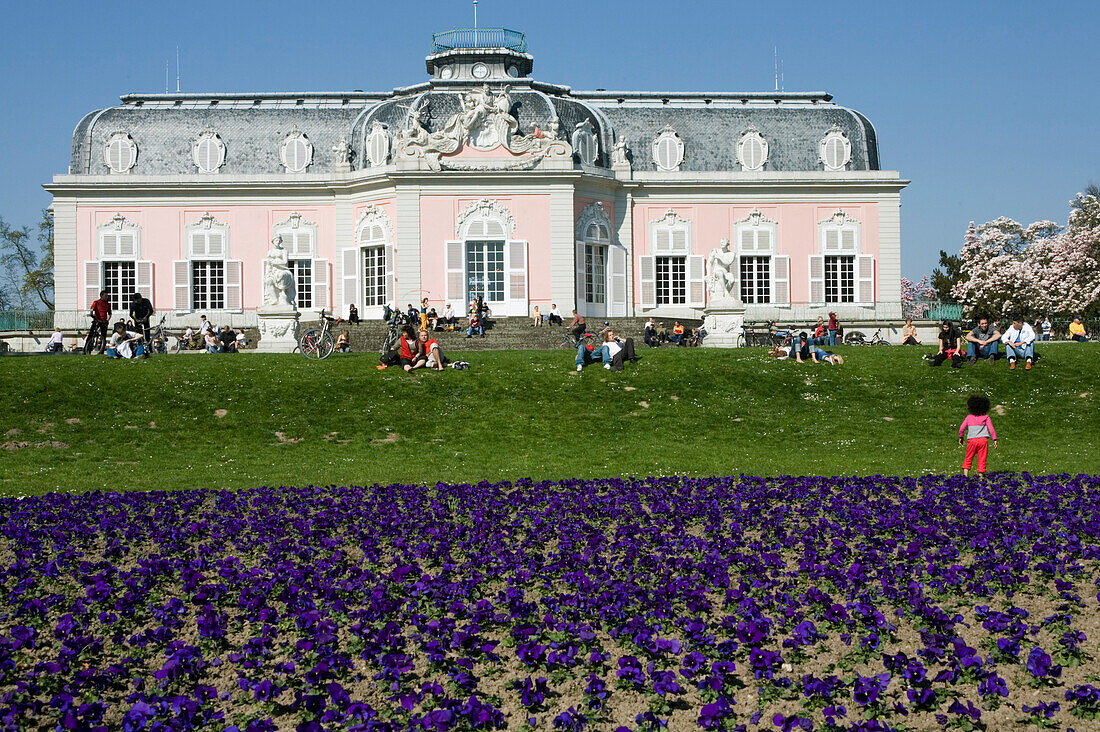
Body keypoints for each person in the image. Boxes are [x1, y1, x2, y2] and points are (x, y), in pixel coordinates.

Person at [958, 394, 997, 477]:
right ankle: (981, 476)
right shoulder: (986, 417)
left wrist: (961, 437)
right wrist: (995, 439)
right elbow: (991, 429)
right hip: (983, 440)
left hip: (972, 440)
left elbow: (961, 428)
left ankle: (965, 475)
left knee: (968, 457)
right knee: (982, 458)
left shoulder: (969, 417)